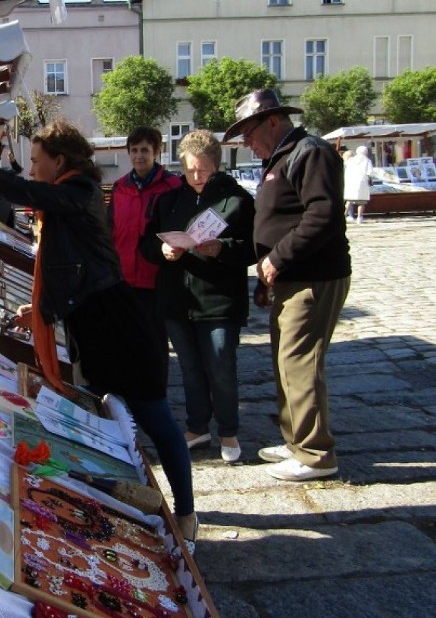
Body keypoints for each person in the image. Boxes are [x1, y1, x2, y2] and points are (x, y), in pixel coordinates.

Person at [0, 119, 197, 546]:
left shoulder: (78, 191)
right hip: (93, 328)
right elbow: (69, 267)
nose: (32, 169)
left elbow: (32, 194)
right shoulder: (68, 197)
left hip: (120, 328)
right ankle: (128, 510)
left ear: (59, 161)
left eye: (36, 161)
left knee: (155, 420)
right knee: (109, 427)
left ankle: (186, 514)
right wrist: (36, 308)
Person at [223, 89, 351, 481]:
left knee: (301, 363)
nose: (246, 141)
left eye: (248, 132)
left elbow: (322, 216)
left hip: (313, 276)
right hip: (291, 278)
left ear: (273, 121)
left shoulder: (309, 152)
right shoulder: (283, 156)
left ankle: (315, 453)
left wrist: (278, 258)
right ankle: (296, 440)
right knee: (286, 361)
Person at [140, 129, 255, 465]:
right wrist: (162, 250)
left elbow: (253, 248)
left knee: (221, 366)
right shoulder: (169, 200)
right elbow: (146, 244)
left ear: (216, 166)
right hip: (178, 300)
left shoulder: (237, 201)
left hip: (219, 300)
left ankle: (229, 430)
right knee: (190, 369)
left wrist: (223, 248)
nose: (196, 176)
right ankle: (197, 426)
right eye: (190, 170)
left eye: (202, 170)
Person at [107, 126, 181, 381]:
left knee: (155, 344)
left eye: (145, 150)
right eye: (135, 150)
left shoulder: (172, 186)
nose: (139, 156)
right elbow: (110, 231)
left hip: (156, 280)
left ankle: (156, 393)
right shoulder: (119, 187)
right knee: (126, 342)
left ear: (156, 152)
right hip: (124, 279)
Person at [343, 145, 373, 223]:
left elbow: (346, 167)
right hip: (362, 182)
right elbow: (370, 172)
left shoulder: (351, 160)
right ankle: (359, 217)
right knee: (361, 201)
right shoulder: (367, 160)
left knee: (349, 200)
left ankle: (344, 216)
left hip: (351, 181)